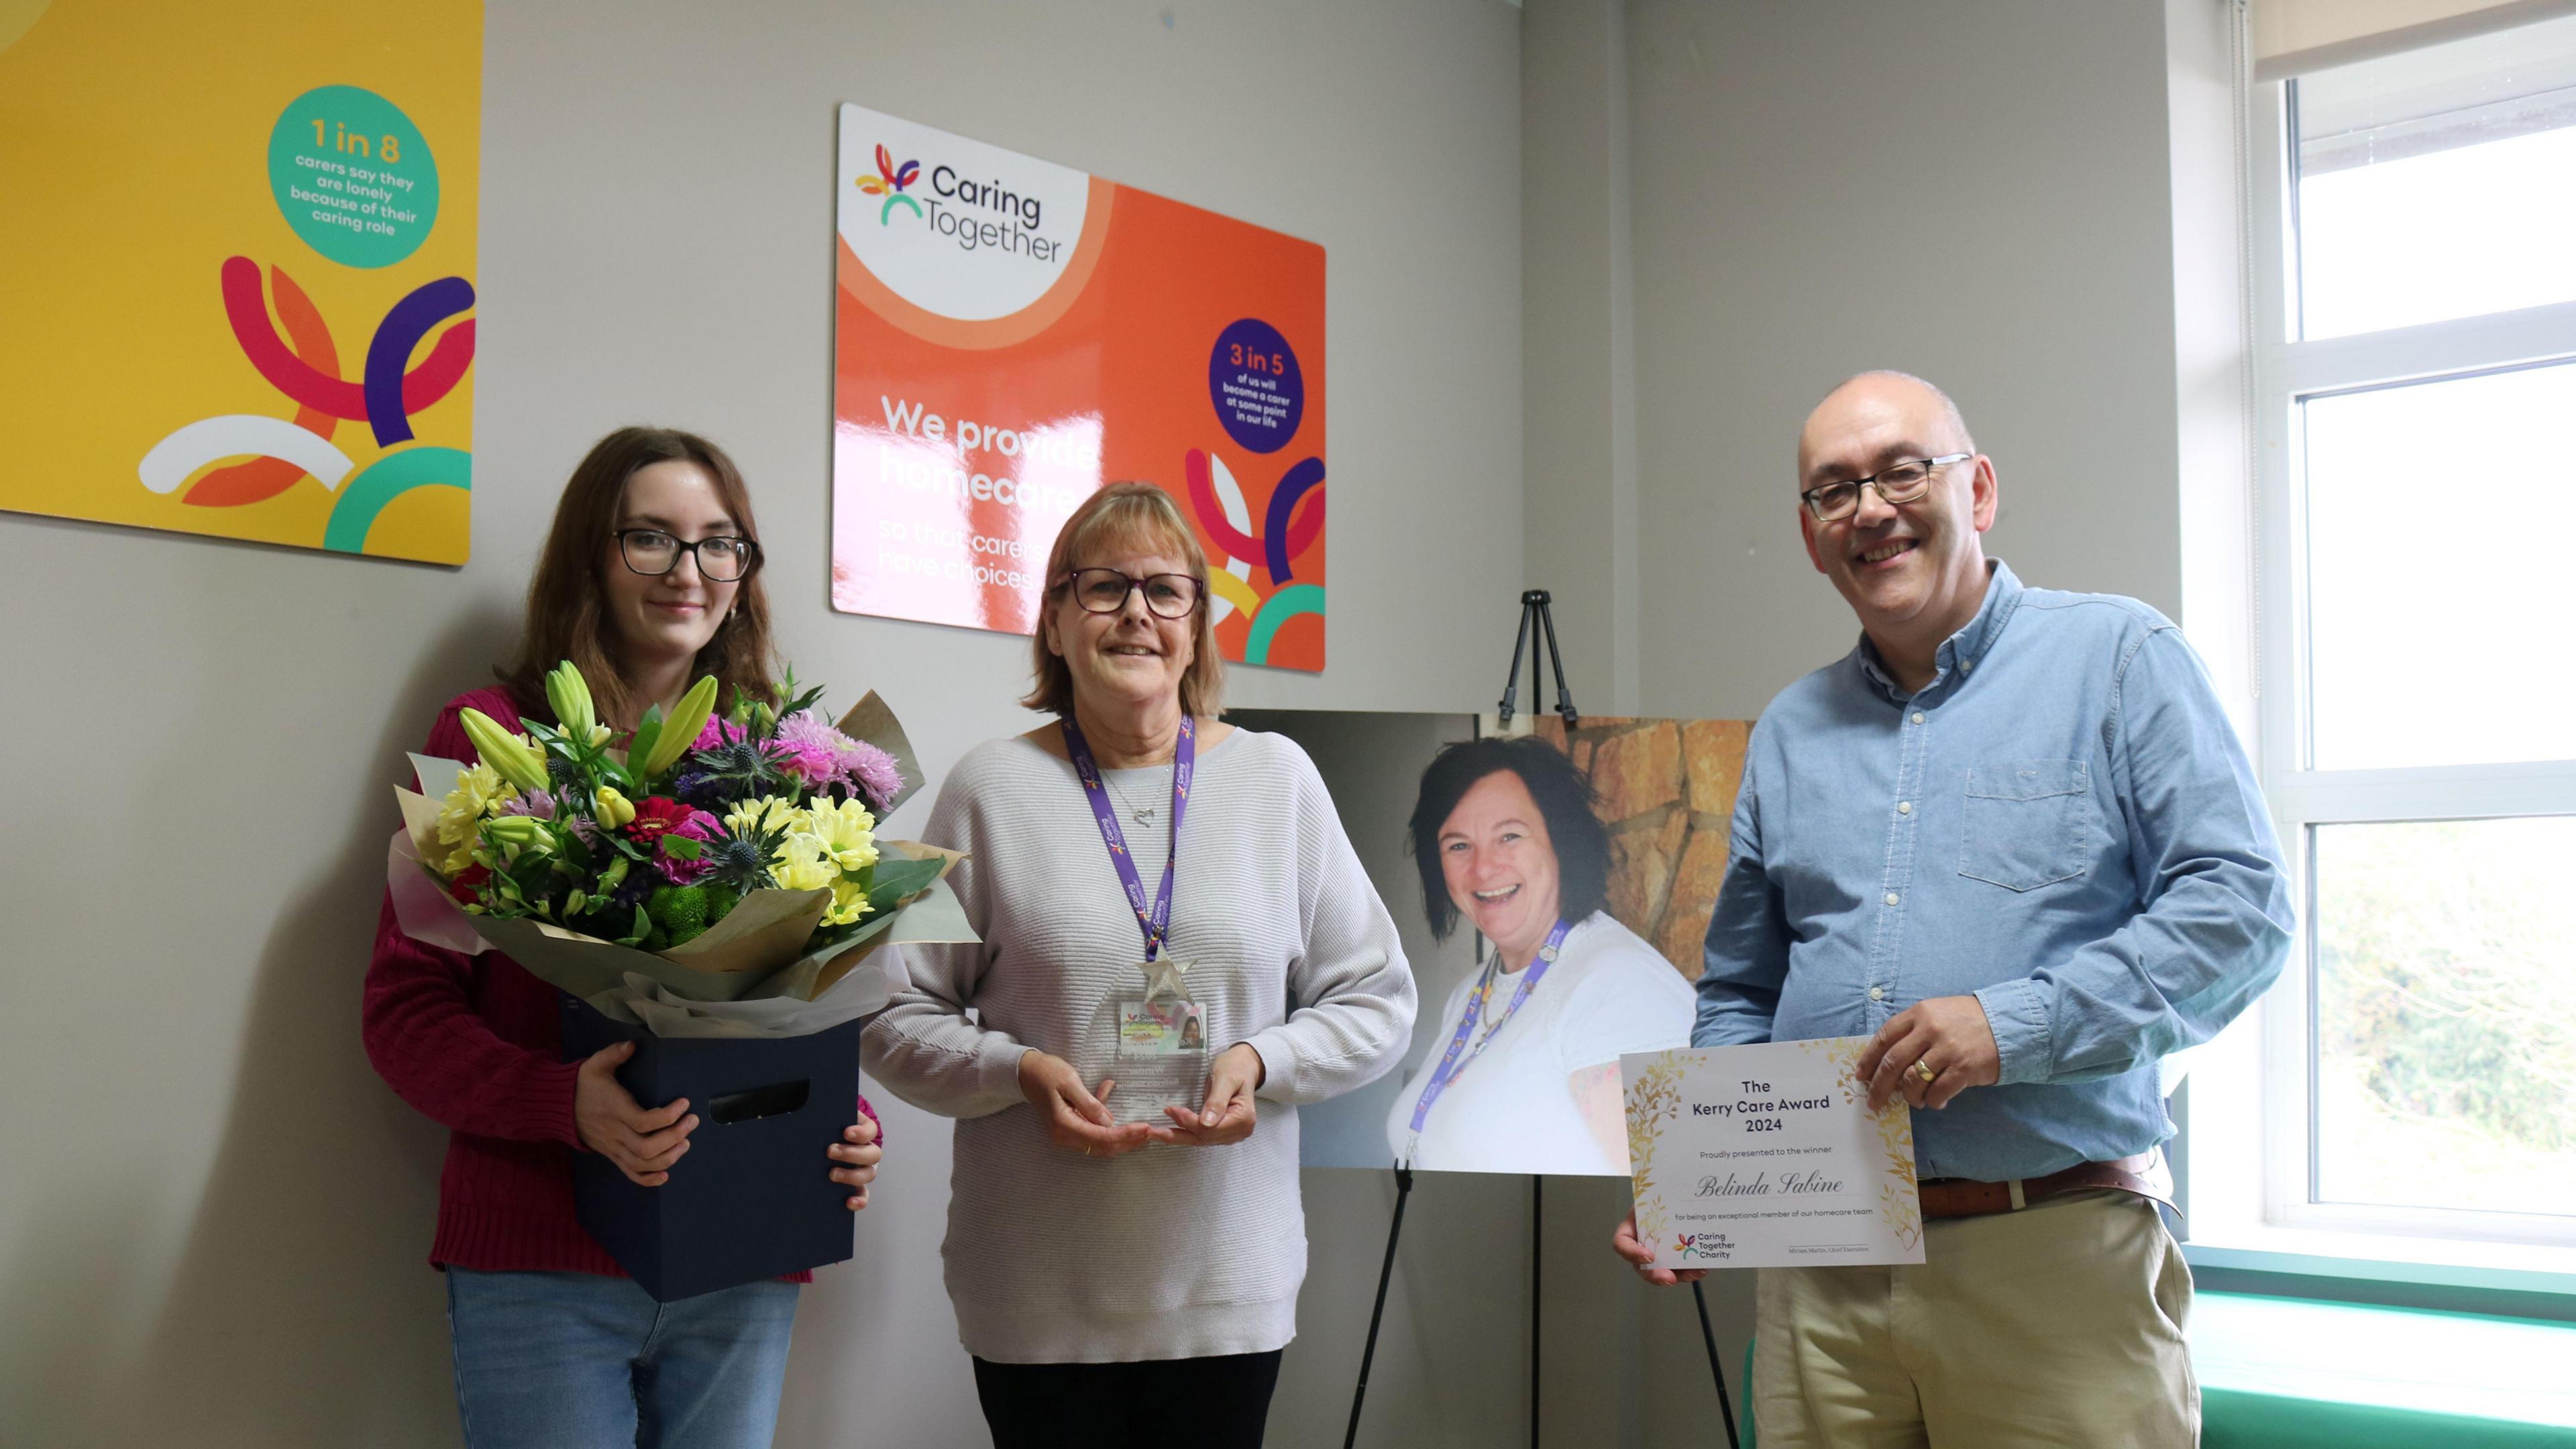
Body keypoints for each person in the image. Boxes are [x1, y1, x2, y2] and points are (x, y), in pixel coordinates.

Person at [1612, 373, 2292, 1446]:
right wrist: (1704, 1182)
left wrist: (2009, 1025)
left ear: (1975, 490)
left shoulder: (2119, 660)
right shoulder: (1790, 730)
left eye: (1899, 471)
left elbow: (2241, 912)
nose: (1870, 509)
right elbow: (1743, 987)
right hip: (1820, 1284)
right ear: (1812, 539)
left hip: (2055, 1261)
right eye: (1834, 491)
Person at [863, 482, 1416, 1449]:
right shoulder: (986, 787)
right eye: (1103, 586)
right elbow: (890, 1014)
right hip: (1037, 1292)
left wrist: (1260, 1061)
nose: (1134, 614)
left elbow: (1377, 999)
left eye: (1166, 591)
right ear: (1053, 617)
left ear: (1198, 625)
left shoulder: (1277, 779)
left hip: (1225, 1291)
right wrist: (1019, 1073)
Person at [362, 427, 883, 1448]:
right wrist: (566, 1104)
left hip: (744, 1244)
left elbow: (800, 1004)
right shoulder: (491, 742)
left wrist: (843, 1117)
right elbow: (404, 1014)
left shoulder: (783, 764)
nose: (689, 573)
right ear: (591, 558)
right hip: (541, 1262)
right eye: (650, 539)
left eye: (718, 543)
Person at [1384, 737, 1695, 1174]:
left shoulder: (1620, 986)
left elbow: (1677, 1208)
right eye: (1458, 845)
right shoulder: (1471, 992)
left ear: (1561, 842)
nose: (1484, 868)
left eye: (1509, 836)